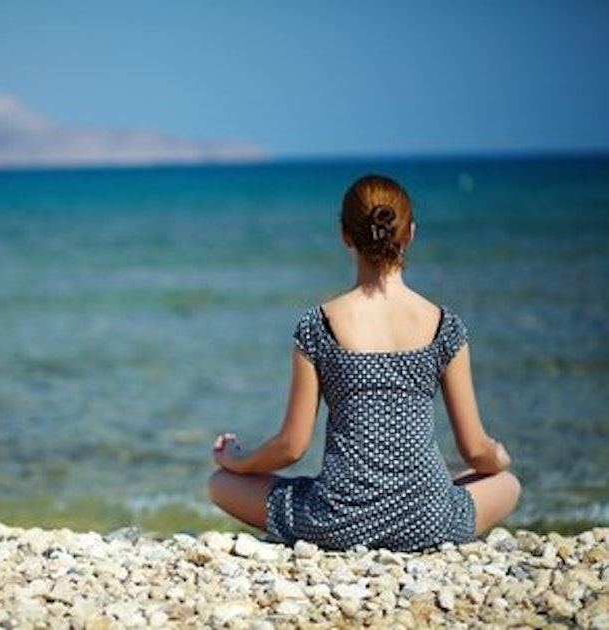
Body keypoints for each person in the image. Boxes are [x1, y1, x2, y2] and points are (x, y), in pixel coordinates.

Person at [208, 174, 520, 551]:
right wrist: (497, 455)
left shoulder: (318, 326)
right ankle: (415, 506)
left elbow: (291, 447)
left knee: (219, 484)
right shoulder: (445, 327)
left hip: (336, 522)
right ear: (410, 234)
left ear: (345, 236)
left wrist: (238, 461)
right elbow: (475, 451)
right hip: (428, 521)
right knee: (507, 483)